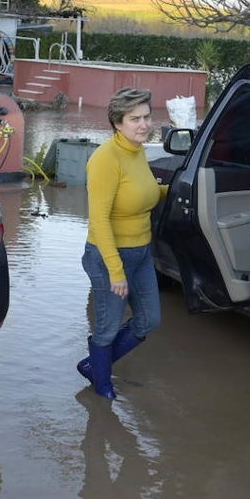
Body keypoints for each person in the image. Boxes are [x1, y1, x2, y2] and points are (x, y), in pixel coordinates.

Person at [76, 88, 169, 400]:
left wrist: (171, 190)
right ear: (117, 123)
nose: (144, 124)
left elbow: (142, 193)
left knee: (149, 320)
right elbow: (98, 220)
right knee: (107, 327)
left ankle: (93, 366)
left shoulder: (138, 150)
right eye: (134, 119)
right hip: (108, 256)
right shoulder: (105, 159)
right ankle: (102, 390)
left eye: (146, 117)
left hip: (141, 252)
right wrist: (116, 272)